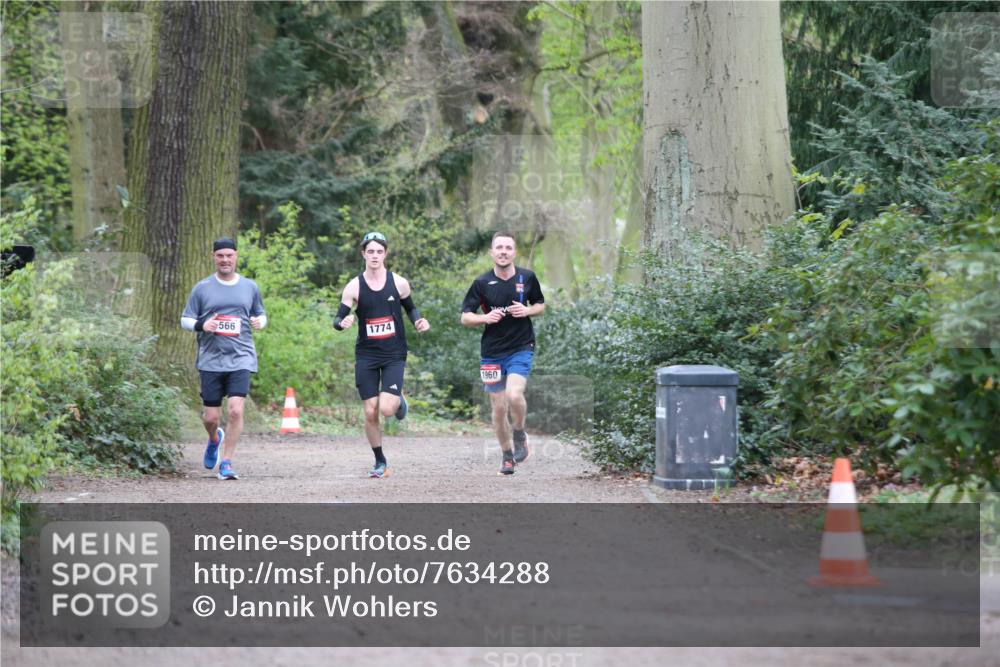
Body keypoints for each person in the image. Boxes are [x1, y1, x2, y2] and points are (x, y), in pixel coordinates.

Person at [333, 231, 430, 478]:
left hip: (394, 353)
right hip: (366, 354)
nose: (375, 255)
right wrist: (342, 323)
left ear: (385, 253)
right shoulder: (354, 286)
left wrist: (419, 321)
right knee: (369, 411)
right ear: (363, 254)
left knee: (387, 409)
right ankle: (380, 461)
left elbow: (411, 308)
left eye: (379, 251)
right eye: (370, 251)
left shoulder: (399, 282)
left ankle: (398, 400)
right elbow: (338, 317)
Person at [181, 237, 266, 480]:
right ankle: (213, 438)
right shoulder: (202, 288)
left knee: (237, 411)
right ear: (213, 257)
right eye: (220, 256)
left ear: (236, 256)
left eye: (229, 255)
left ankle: (226, 462)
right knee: (211, 417)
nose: (225, 260)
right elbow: (185, 320)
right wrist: (202, 324)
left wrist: (260, 322)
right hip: (211, 360)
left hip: (241, 357)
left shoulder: (250, 287)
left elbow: (260, 314)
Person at [461, 232, 545, 475]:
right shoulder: (481, 283)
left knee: (514, 394)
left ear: (514, 252)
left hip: (521, 347)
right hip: (491, 353)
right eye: (499, 247)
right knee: (498, 409)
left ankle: (519, 434)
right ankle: (507, 456)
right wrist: (484, 318)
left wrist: (527, 311)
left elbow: (540, 304)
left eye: (508, 247)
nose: (504, 251)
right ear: (492, 252)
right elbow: (465, 316)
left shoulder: (527, 277)